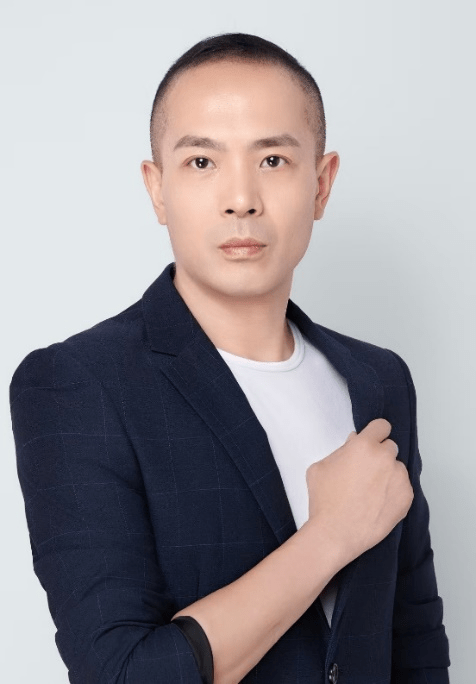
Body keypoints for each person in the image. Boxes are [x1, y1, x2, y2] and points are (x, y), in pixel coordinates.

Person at [9, 32, 450, 684]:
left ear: (322, 183)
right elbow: (119, 672)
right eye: (201, 162)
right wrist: (330, 536)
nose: (241, 198)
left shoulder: (379, 380)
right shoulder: (78, 385)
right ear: (157, 190)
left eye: (273, 159)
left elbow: (415, 644)